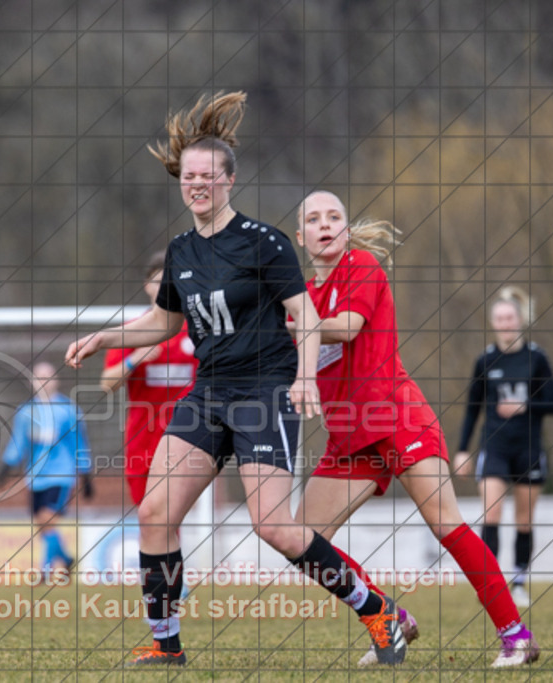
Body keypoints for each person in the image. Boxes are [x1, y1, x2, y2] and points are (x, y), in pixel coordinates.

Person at [66, 92, 407, 668]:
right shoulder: (180, 251)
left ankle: (377, 609)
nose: (197, 184)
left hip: (265, 391)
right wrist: (105, 337)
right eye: (189, 176)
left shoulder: (265, 242)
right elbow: (165, 322)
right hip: (208, 393)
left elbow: (305, 317)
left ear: (228, 181)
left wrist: (304, 380)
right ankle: (165, 642)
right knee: (155, 513)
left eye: (208, 176)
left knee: (273, 527)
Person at [293, 190, 539, 668]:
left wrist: (288, 326)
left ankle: (517, 636)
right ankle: (389, 616)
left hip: (396, 415)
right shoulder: (300, 300)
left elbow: (344, 327)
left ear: (345, 228)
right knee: (301, 537)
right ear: (300, 237)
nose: (325, 224)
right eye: (313, 219)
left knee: (447, 524)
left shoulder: (360, 266)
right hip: (349, 435)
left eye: (335, 216)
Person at [454, 287, 553, 609]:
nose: (505, 323)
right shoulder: (485, 360)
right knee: (492, 513)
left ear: (520, 320)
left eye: (510, 317)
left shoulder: (537, 358)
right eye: (499, 318)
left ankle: (518, 582)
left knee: (524, 520)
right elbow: (473, 408)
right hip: (495, 447)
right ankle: (491, 583)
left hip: (528, 449)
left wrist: (524, 405)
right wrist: (462, 450)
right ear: (493, 322)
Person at [101, 251, 197, 505]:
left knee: (171, 518)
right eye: (159, 281)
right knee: (150, 521)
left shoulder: (198, 331)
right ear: (147, 286)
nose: (166, 288)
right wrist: (135, 359)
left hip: (188, 440)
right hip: (142, 442)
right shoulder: (132, 331)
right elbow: (106, 384)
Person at [0, 361, 94, 580]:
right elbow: (18, 442)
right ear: (32, 382)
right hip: (35, 477)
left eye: (48, 378)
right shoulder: (26, 412)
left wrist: (86, 474)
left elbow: (80, 443)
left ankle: (45, 571)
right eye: (39, 378)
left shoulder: (69, 410)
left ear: (56, 381)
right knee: (43, 525)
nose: (44, 383)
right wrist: (6, 466)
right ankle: (65, 559)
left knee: (46, 518)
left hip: (61, 474)